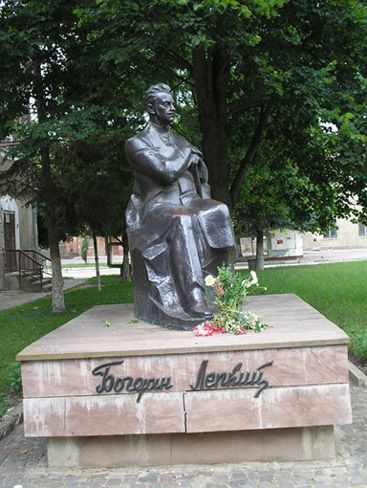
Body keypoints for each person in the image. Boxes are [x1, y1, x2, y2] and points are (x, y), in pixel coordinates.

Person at [125, 83, 235, 329]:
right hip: (158, 207)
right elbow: (166, 172)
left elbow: (201, 173)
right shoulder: (137, 143)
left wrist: (196, 162)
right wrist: (187, 154)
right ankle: (193, 298)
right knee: (182, 219)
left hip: (190, 200)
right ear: (152, 108)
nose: (173, 108)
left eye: (173, 102)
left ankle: (222, 288)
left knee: (220, 211)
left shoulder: (178, 139)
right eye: (166, 103)